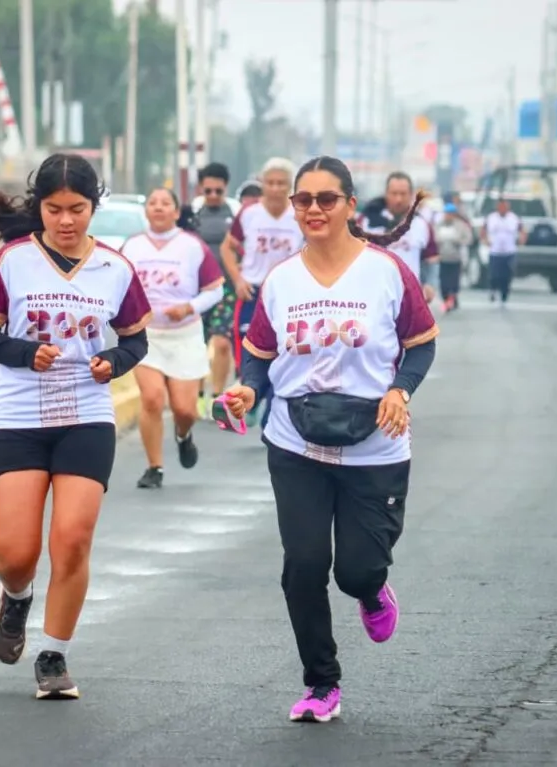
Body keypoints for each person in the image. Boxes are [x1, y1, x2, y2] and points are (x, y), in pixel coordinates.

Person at [222, 155, 438, 723]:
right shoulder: (282, 279)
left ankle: (372, 592)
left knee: (357, 571)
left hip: (375, 447)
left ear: (348, 205)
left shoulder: (387, 271)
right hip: (296, 442)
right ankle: (322, 684)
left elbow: (421, 343)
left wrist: (400, 391)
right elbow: (260, 359)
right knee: (304, 564)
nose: (313, 210)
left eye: (326, 199)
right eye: (303, 200)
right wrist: (247, 391)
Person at [0, 152, 151, 700]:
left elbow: (136, 340)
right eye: (54, 209)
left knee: (71, 541)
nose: (66, 221)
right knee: (17, 554)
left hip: (86, 415)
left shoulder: (116, 268)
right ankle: (15, 598)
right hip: (17, 414)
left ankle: (54, 657)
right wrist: (26, 353)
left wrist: (112, 363)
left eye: (77, 209)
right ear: (39, 208)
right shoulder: (12, 262)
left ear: (95, 206)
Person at [122, 188, 224, 489]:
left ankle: (183, 435)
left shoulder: (192, 246)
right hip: (146, 335)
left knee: (185, 410)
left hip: (185, 335)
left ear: (177, 212)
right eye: (153, 203)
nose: (158, 208)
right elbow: (118, 286)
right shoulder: (132, 246)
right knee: (152, 399)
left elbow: (216, 289)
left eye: (166, 203)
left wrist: (189, 307)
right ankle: (155, 467)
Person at [220, 158, 304, 428]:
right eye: (271, 183)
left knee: (284, 351)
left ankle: (268, 405)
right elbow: (227, 248)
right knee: (250, 350)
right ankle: (253, 397)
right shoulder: (249, 213)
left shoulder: (300, 213)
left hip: (289, 293)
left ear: (290, 187)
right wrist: (238, 279)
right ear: (262, 184)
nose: (276, 188)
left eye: (282, 183)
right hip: (253, 292)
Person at [192, 163, 239, 419]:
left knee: (221, 343)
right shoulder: (193, 211)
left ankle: (217, 397)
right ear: (201, 188)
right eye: (207, 190)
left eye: (217, 191)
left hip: (226, 289)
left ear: (225, 188)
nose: (212, 195)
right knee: (197, 345)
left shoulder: (234, 212)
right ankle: (199, 395)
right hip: (195, 291)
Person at [358, 172, 439, 304]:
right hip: (373, 295)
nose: (398, 199)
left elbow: (431, 258)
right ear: (386, 194)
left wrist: (430, 284)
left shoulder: (421, 224)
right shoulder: (366, 222)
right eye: (394, 193)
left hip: (410, 296)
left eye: (403, 194)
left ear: (412, 195)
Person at [482, 198, 523, 304]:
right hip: (495, 251)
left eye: (505, 206)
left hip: (509, 251)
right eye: (500, 206)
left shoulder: (514, 218)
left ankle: (505, 294)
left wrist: (521, 241)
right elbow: (483, 230)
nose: (502, 209)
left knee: (507, 274)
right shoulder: (491, 218)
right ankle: (493, 291)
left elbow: (522, 231)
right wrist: (485, 240)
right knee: (494, 274)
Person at [435, 203, 473, 311]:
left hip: (456, 258)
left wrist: (457, 241)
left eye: (451, 214)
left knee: (454, 281)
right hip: (442, 258)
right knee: (443, 282)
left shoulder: (461, 226)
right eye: (447, 214)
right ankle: (446, 298)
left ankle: (453, 297)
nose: (449, 216)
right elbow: (433, 238)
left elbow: (468, 239)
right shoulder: (439, 225)